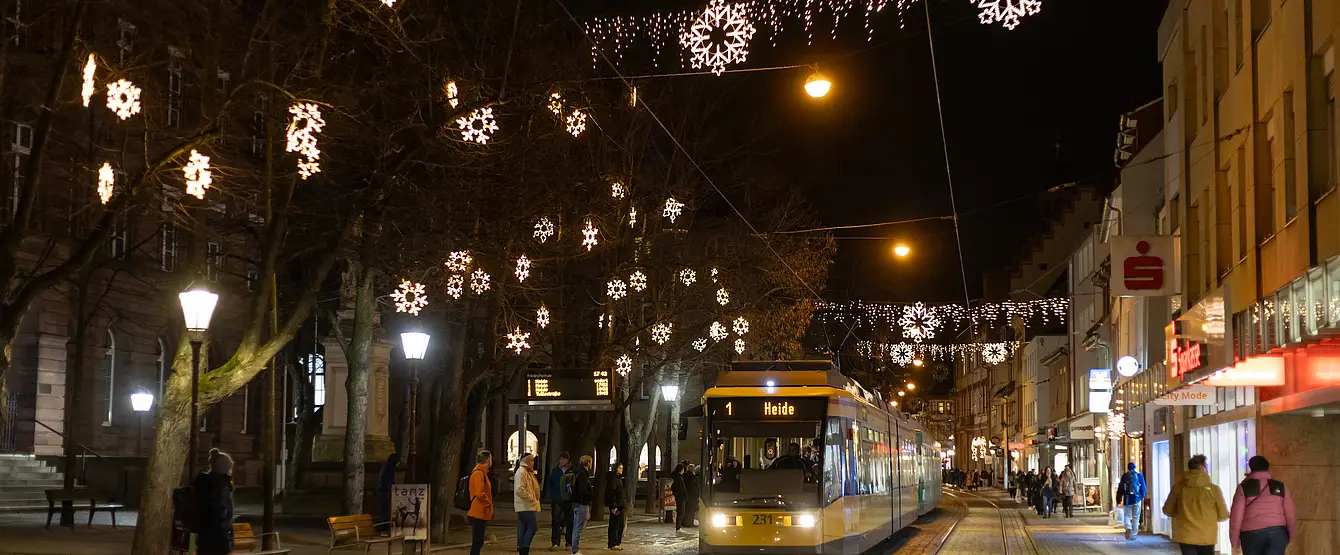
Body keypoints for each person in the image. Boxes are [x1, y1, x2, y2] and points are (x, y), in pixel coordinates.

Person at [1230, 456, 1297, 555]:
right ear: (1268, 468)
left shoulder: (1243, 488)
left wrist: (1235, 543)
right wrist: (1291, 536)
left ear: (1251, 468)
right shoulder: (1280, 486)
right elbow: (1290, 514)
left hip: (1251, 535)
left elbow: (1236, 517)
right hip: (1277, 534)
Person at [1162, 454, 1228, 554]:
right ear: (1202, 469)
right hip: (1207, 536)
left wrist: (1181, 513)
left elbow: (1167, 510)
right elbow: (1223, 515)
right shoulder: (1214, 489)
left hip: (1186, 535)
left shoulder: (1178, 488)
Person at [194, 449, 235, 555]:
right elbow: (224, 515)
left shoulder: (203, 481)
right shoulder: (223, 485)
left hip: (204, 538)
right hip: (219, 540)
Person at [467, 450, 494, 555]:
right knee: (477, 541)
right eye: (490, 459)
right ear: (487, 460)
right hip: (479, 511)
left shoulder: (481, 473)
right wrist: (488, 503)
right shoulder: (479, 473)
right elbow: (480, 493)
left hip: (480, 511)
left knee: (478, 540)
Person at [513, 453, 541, 555]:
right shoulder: (522, 472)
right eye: (530, 460)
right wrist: (531, 498)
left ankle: (522, 549)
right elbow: (519, 489)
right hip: (526, 505)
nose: (532, 463)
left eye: (533, 460)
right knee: (532, 527)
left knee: (523, 527)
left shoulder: (527, 472)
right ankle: (524, 548)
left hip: (527, 505)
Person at [545, 452, 573, 550]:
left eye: (564, 459)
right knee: (556, 520)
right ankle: (555, 542)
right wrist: (551, 496)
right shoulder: (555, 471)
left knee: (569, 521)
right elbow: (551, 484)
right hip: (557, 499)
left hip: (569, 500)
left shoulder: (571, 471)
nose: (561, 461)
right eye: (560, 459)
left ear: (568, 460)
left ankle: (569, 543)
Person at [568, 455, 595, 555]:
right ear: (588, 463)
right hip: (581, 503)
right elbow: (582, 490)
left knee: (576, 527)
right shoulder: (583, 474)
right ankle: (575, 550)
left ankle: (574, 548)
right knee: (578, 528)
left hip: (575, 503)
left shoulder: (577, 472)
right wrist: (591, 494)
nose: (592, 464)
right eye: (591, 462)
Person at [1117, 462, 1148, 540]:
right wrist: (1141, 497)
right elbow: (1144, 488)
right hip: (1137, 499)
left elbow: (1120, 488)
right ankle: (1133, 535)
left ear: (1128, 468)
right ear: (1135, 467)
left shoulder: (1125, 476)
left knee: (1126, 516)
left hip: (1127, 499)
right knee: (1136, 517)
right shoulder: (1139, 475)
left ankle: (1128, 527)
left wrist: (1119, 499)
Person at [375, 451, 399, 533]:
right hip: (386, 491)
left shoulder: (385, 467)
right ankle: (385, 526)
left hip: (384, 490)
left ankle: (384, 526)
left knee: (385, 510)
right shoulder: (390, 469)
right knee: (386, 510)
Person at [606, 463, 628, 551]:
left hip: (620, 505)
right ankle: (613, 543)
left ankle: (616, 542)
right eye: (619, 468)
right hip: (616, 505)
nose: (621, 470)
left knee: (619, 525)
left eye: (622, 468)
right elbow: (611, 493)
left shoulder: (618, 479)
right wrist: (614, 506)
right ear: (615, 469)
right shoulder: (614, 480)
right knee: (615, 525)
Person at [671, 463, 688, 532]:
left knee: (681, 512)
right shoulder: (678, 477)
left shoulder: (679, 477)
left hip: (680, 497)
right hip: (680, 497)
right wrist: (683, 493)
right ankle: (678, 527)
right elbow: (679, 487)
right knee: (681, 512)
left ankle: (679, 526)